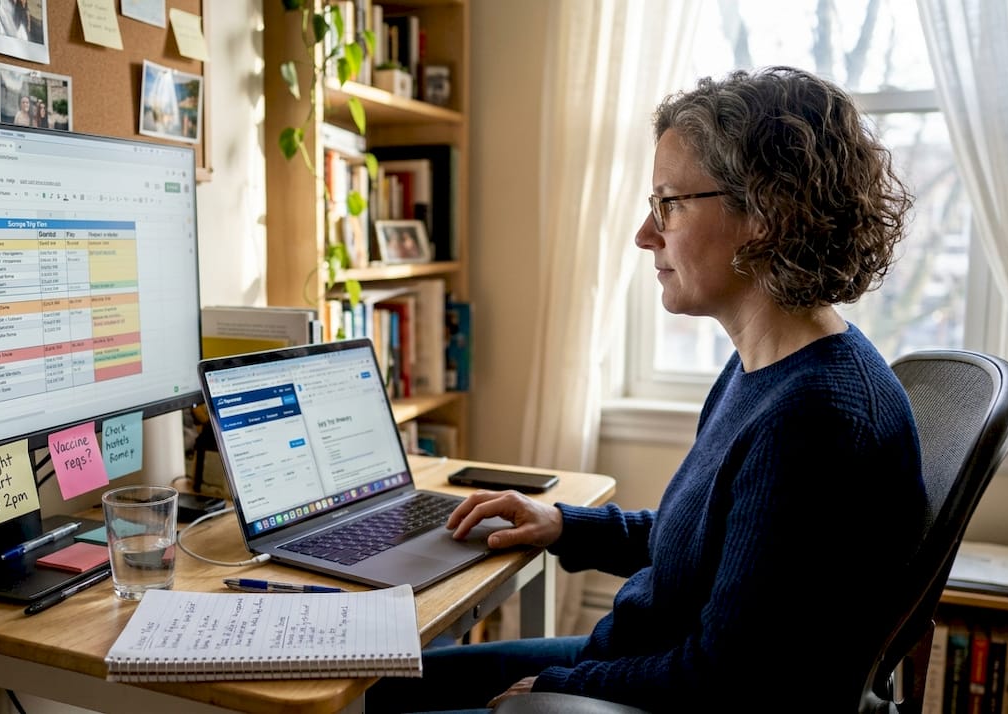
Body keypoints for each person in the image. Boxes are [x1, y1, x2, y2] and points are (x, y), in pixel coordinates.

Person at [366, 66, 925, 713]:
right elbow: (710, 545)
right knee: (380, 690)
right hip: (635, 659)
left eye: (667, 203)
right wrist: (562, 524)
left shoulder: (815, 421)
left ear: (765, 214)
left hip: (656, 690)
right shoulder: (768, 369)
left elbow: (726, 681)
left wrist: (558, 688)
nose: (644, 234)